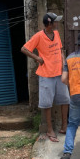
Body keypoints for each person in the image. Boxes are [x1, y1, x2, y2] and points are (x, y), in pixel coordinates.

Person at [21, 12, 69, 143]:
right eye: (55, 22)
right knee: (47, 103)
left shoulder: (56, 34)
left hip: (59, 73)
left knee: (65, 99)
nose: (57, 23)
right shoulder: (39, 36)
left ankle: (65, 126)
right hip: (46, 74)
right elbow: (24, 49)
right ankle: (49, 129)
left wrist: (64, 66)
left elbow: (60, 51)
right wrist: (37, 58)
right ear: (49, 23)